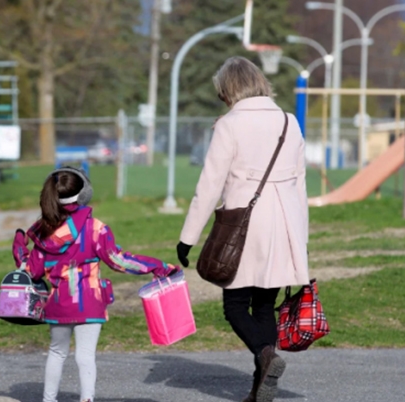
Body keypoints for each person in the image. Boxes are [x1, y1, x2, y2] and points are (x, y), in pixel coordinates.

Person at [176, 56, 309, 402]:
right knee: (264, 306)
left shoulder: (229, 125)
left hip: (243, 225)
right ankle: (259, 388)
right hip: (286, 223)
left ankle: (267, 356)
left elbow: (209, 185)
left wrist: (187, 238)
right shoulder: (289, 121)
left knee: (234, 305)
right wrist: (302, 238)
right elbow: (300, 184)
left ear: (228, 90)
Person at [12, 166, 179, 402]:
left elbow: (32, 270)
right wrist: (159, 266)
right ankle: (87, 399)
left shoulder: (43, 231)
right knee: (85, 356)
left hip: (58, 305)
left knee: (57, 352)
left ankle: (48, 400)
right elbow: (119, 261)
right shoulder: (95, 228)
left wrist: (19, 244)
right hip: (89, 304)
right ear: (82, 194)